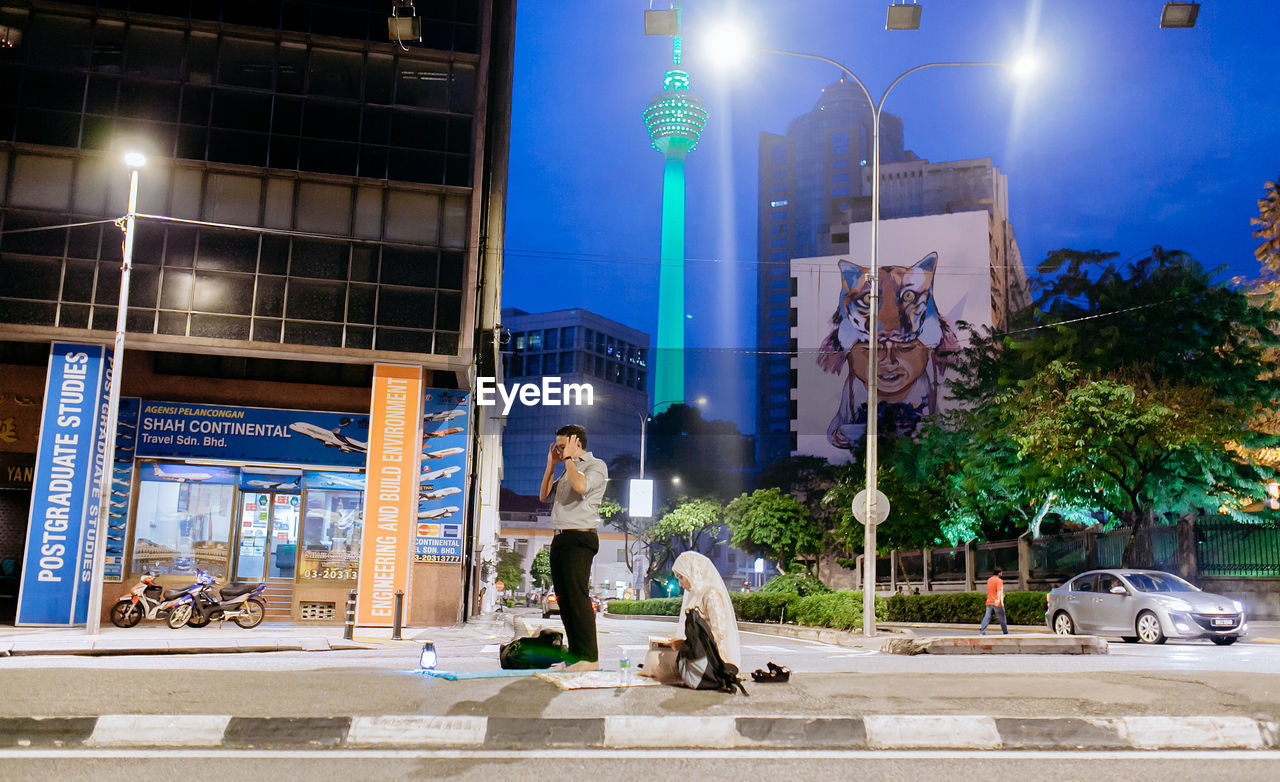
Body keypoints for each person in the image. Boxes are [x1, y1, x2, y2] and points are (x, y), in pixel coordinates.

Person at [539, 424, 608, 671]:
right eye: (556, 445)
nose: (558, 449)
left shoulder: (595, 466)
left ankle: (590, 658)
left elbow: (581, 487)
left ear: (576, 442)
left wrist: (568, 459)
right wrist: (551, 464)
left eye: (562, 444)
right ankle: (576, 655)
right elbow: (543, 495)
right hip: (561, 538)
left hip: (580, 538)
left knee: (578, 599)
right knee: (564, 600)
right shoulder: (565, 470)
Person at [980, 566, 1008, 636]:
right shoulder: (999, 581)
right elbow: (999, 591)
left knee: (987, 617)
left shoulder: (989, 580)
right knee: (1002, 618)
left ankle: (982, 631)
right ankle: (1005, 632)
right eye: (1001, 572)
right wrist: (999, 600)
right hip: (997, 602)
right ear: (999, 573)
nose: (1002, 573)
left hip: (989, 601)